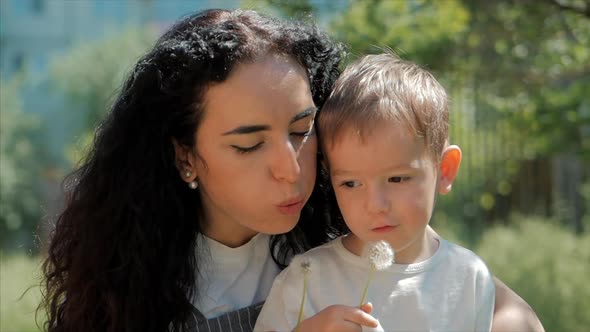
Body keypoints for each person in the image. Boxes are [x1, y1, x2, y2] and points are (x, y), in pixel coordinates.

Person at [39, 8, 543, 332]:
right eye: (251, 144)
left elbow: (509, 314)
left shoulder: (352, 225)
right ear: (185, 157)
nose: (291, 168)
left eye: (302, 131)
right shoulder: (126, 285)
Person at [255, 53, 498, 332]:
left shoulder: (469, 278)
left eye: (396, 178)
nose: (375, 205)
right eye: (351, 184)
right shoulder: (306, 279)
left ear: (444, 170)